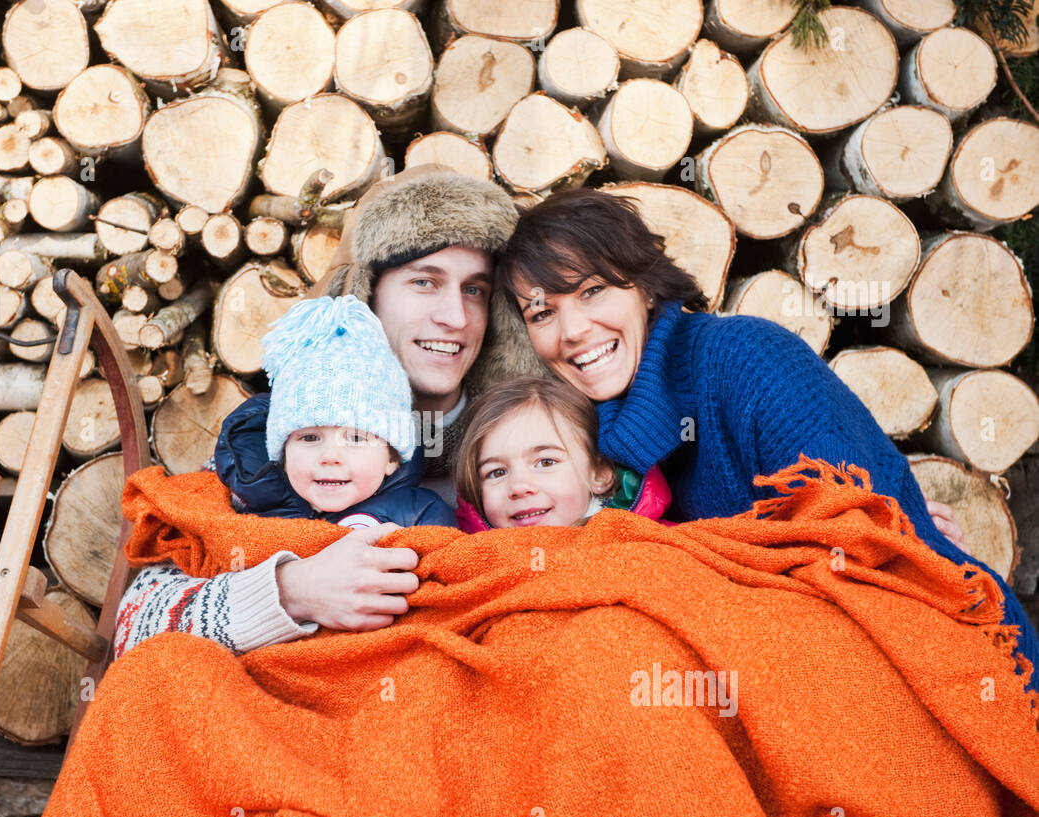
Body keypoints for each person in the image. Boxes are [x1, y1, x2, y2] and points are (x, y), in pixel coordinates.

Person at [493, 187, 1039, 683]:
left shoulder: (746, 358)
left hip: (945, 662)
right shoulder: (596, 436)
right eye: (541, 312)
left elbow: (855, 548)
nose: (572, 331)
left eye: (591, 291)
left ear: (644, 287)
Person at [113, 167, 550, 658]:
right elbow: (134, 627)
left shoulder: (532, 447)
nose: (455, 317)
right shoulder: (281, 438)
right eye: (425, 282)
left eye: (475, 289)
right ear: (366, 293)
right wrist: (292, 591)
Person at [214, 295, 456, 528]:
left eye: (355, 438)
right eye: (309, 437)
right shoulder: (246, 509)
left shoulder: (417, 516)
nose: (330, 456)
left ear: (391, 458)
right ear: (283, 455)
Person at [453, 375, 671, 530]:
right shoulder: (464, 562)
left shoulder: (659, 544)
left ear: (600, 473)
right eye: (497, 472)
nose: (518, 487)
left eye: (546, 462)